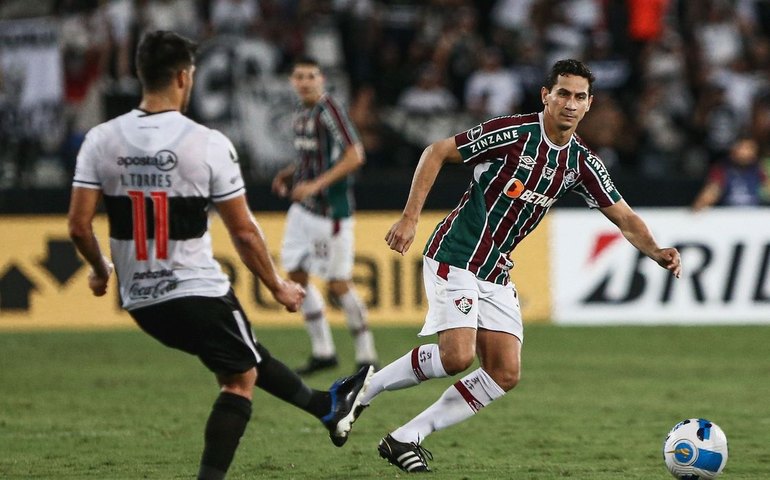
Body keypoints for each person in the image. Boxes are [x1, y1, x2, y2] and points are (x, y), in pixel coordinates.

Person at [67, 31, 373, 480]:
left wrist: (99, 270)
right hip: (195, 287)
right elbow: (245, 232)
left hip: (138, 299)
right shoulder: (207, 142)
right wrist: (278, 285)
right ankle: (318, 410)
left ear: (140, 74)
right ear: (184, 78)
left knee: (242, 355)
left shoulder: (100, 138)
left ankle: (326, 406)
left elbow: (78, 225)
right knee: (239, 378)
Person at [356, 59, 682, 473]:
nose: (570, 103)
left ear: (589, 105)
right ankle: (366, 389)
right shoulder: (513, 132)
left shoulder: (582, 162)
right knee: (456, 357)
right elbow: (436, 151)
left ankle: (406, 437)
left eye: (579, 97)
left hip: (495, 269)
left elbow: (624, 216)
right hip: (456, 252)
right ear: (545, 95)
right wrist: (409, 217)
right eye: (562, 93)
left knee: (504, 373)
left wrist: (655, 249)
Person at [272, 56, 379, 375]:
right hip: (303, 211)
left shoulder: (329, 109)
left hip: (330, 213)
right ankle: (323, 351)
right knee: (296, 275)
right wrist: (291, 174)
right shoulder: (302, 112)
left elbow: (354, 155)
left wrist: (314, 185)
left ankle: (367, 355)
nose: (305, 81)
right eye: (299, 76)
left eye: (311, 76)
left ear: (321, 80)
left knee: (338, 284)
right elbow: (315, 157)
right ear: (292, 81)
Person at [691, 135, 769, 211]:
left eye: (750, 149)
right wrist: (703, 201)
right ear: (734, 149)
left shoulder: (758, 169)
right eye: (743, 148)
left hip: (753, 214)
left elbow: (767, 186)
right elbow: (712, 191)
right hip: (729, 214)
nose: (745, 153)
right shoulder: (722, 169)